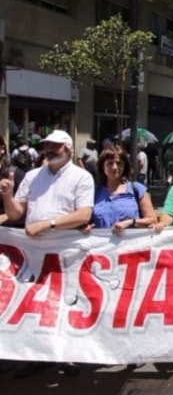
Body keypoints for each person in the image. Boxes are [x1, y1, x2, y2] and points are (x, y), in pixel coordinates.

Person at [0, 130, 94, 378]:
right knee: (37, 304)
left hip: (66, 253)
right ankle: (38, 353)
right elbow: (16, 214)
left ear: (68, 149)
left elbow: (84, 214)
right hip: (34, 254)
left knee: (68, 304)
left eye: (56, 146)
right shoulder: (32, 176)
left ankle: (71, 355)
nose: (50, 149)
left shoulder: (81, 177)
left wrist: (48, 225)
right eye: (47, 145)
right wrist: (8, 196)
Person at [89, 145, 158, 236]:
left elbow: (152, 219)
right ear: (102, 166)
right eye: (110, 163)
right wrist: (85, 227)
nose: (115, 167)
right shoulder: (93, 192)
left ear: (125, 166)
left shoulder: (137, 190)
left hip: (129, 247)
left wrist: (131, 222)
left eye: (119, 163)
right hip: (101, 248)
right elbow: (85, 220)